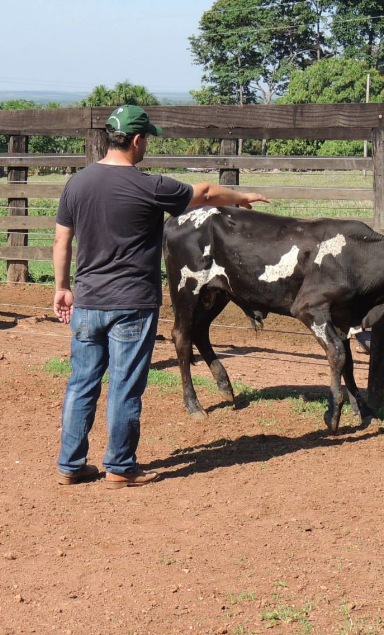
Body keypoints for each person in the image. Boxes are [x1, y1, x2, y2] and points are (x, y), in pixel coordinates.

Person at [53, 105, 268, 488]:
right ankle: (120, 466)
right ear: (137, 140)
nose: (146, 146)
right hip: (132, 303)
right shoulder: (150, 186)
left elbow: (61, 239)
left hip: (87, 300)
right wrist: (239, 196)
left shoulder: (76, 183)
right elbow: (203, 192)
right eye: (146, 139)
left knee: (81, 381)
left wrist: (62, 287)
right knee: (125, 384)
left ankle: (71, 465)